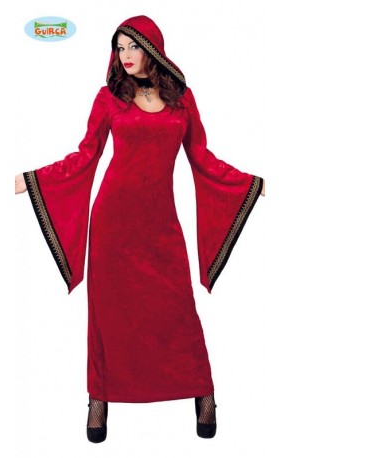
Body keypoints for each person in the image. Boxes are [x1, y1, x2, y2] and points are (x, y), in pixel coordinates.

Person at [15, 15, 265, 443]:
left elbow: (203, 158)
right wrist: (31, 179)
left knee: (178, 311)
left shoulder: (182, 99)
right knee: (109, 316)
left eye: (133, 46)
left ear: (153, 48)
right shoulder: (109, 98)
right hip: (112, 225)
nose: (125, 55)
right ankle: (99, 399)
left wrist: (251, 183)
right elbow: (86, 155)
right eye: (120, 47)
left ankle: (203, 394)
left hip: (161, 225)